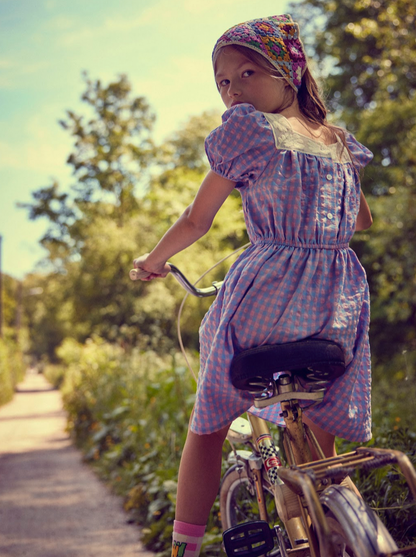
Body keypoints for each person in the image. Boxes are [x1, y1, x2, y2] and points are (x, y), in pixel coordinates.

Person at [133, 14, 373, 557]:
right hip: (337, 306)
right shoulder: (339, 143)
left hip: (265, 300)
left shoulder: (249, 132)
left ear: (288, 73)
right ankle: (331, 526)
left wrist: (153, 260)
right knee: (316, 439)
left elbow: (197, 221)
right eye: (222, 82)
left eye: (246, 73)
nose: (232, 89)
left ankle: (184, 549)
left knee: (210, 421)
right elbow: (362, 223)